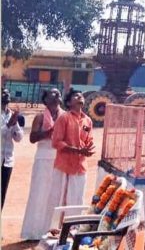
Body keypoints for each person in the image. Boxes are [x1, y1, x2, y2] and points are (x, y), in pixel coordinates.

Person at [21, 88, 65, 239]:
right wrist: (49, 132)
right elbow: (32, 138)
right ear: (46, 99)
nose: (57, 95)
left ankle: (51, 230)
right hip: (42, 159)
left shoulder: (65, 116)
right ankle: (33, 232)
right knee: (38, 194)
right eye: (53, 93)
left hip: (59, 160)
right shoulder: (40, 117)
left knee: (55, 195)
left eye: (58, 93)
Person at [46, 88, 95, 215]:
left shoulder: (88, 120)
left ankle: (73, 229)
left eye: (81, 96)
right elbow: (56, 142)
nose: (80, 97)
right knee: (60, 198)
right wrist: (77, 150)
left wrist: (88, 150)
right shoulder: (64, 118)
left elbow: (89, 140)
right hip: (64, 166)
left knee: (77, 198)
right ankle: (56, 230)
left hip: (80, 166)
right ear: (68, 103)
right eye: (76, 96)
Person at [1, 88, 24, 209]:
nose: (7, 95)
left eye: (8, 93)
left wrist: (14, 123)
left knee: (2, 194)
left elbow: (19, 138)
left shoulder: (11, 114)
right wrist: (9, 124)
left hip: (7, 161)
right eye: (3, 93)